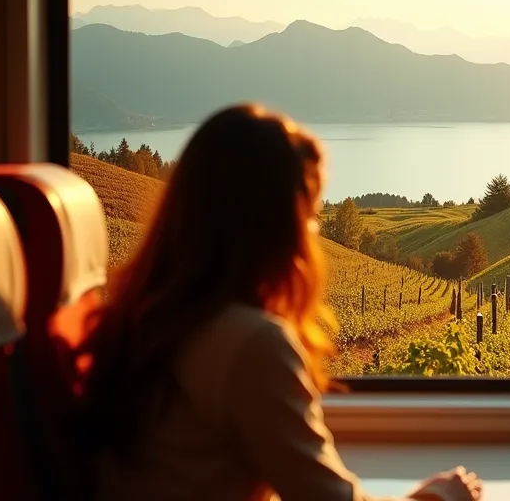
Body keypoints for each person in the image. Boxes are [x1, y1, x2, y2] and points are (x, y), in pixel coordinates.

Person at [74, 104, 482, 501]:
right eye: (311, 213)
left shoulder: (139, 318)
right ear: (283, 225)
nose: (314, 228)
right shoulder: (251, 343)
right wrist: (439, 498)